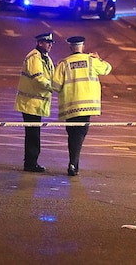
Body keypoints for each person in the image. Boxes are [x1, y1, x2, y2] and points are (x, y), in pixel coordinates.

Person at [52, 36, 112, 176]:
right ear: (83, 47)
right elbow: (107, 69)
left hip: (71, 106)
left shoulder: (64, 63)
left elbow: (55, 85)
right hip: (86, 106)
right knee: (79, 134)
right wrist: (99, 59)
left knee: (73, 135)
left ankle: (73, 164)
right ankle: (73, 165)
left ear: (70, 47)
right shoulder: (91, 61)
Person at [15, 32, 55, 173]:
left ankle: (32, 162)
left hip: (36, 103)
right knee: (33, 135)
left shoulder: (45, 58)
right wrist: (53, 86)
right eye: (47, 42)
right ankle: (31, 163)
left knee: (34, 134)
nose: (50, 45)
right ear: (40, 43)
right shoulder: (34, 57)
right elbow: (38, 78)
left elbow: (52, 76)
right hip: (29, 102)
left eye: (51, 43)